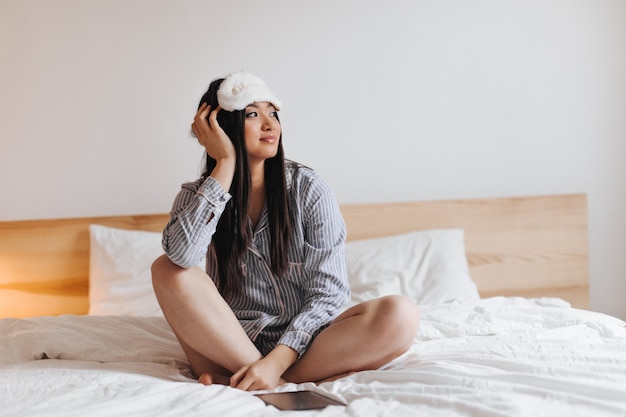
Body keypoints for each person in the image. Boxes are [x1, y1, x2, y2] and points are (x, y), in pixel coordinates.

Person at [151, 71, 420, 391]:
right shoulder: (197, 196)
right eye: (253, 114)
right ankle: (264, 374)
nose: (270, 124)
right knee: (167, 269)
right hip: (224, 345)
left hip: (302, 348)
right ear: (221, 127)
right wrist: (224, 163)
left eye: (273, 113)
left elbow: (329, 294)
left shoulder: (309, 189)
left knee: (400, 315)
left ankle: (269, 379)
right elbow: (182, 256)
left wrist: (276, 361)